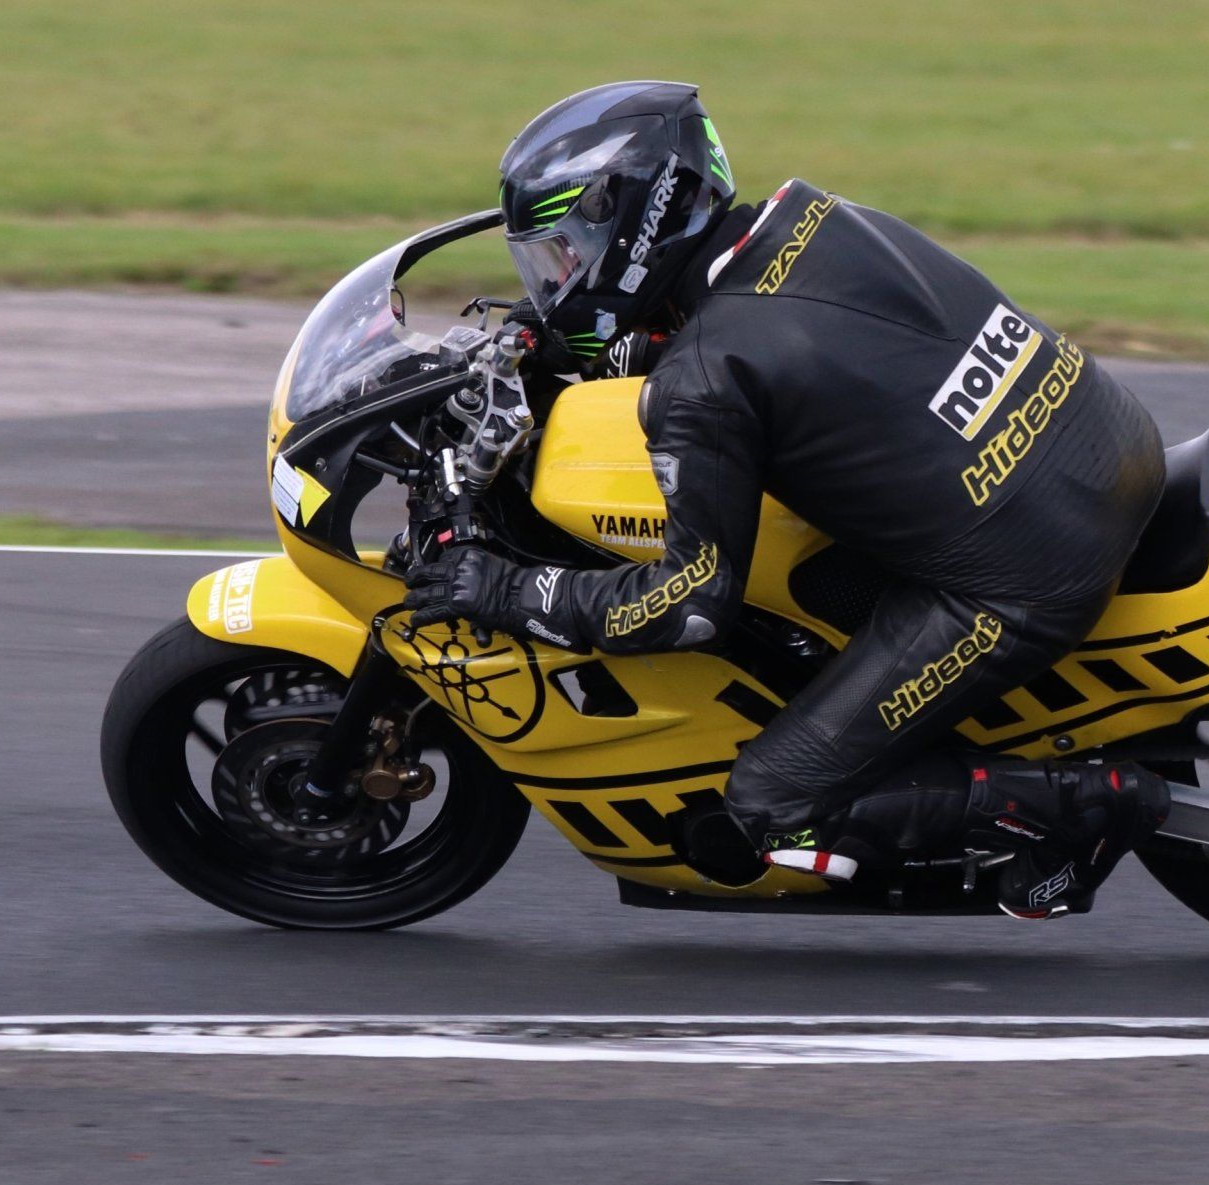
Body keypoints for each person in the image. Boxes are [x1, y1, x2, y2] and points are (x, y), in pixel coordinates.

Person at [405, 81, 1170, 919]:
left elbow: (689, 607)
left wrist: (510, 591)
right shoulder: (813, 219)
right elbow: (784, 346)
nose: (555, 285)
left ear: (630, 220)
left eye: (561, 257)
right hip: (1106, 445)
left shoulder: (703, 381)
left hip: (1024, 572)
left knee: (773, 802)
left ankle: (1087, 808)